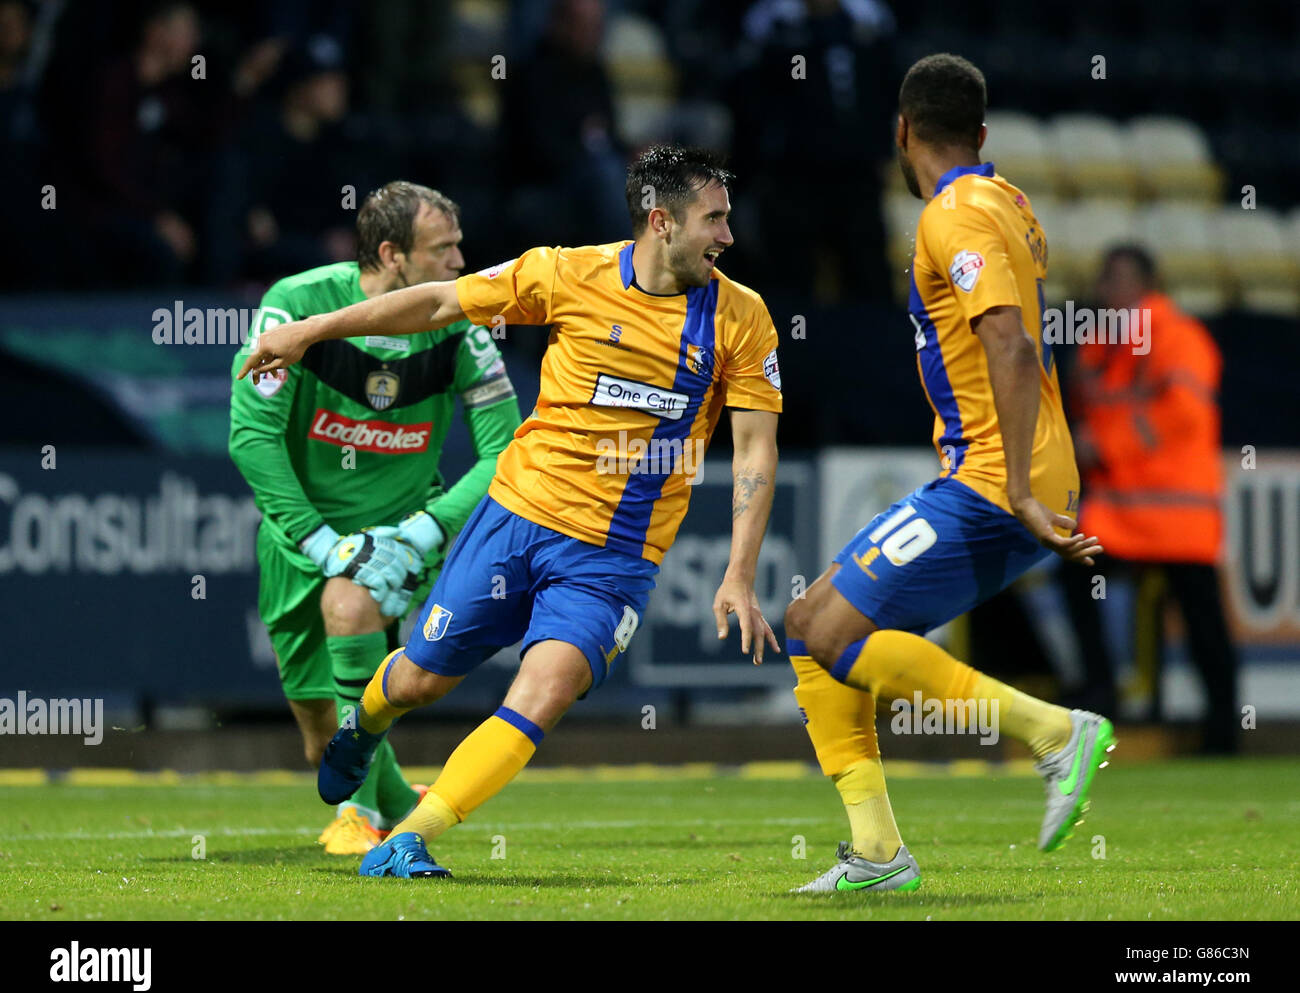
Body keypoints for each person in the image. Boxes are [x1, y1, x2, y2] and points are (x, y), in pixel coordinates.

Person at [238, 145, 784, 880]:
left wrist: (740, 572)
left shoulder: (742, 319)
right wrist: (310, 331)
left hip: (615, 557)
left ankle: (412, 835)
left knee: (547, 689)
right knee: (422, 680)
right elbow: (436, 302)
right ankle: (364, 727)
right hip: (517, 516)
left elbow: (753, 449)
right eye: (712, 219)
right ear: (661, 221)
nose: (726, 235)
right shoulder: (565, 273)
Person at [782, 54, 1114, 893]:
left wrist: (1019, 492)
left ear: (902, 130)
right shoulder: (1006, 201)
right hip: (1010, 470)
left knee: (825, 631)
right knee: (812, 625)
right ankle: (878, 854)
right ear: (983, 133)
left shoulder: (951, 215)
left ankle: (1051, 732)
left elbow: (1010, 338)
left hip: (998, 477)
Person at [229, 182, 521, 854]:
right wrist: (323, 541)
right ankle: (391, 796)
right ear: (391, 254)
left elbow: (507, 449)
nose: (460, 262)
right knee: (317, 734)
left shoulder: (462, 323)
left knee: (352, 605)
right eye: (442, 249)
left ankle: (358, 814)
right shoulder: (296, 305)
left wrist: (424, 531)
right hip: (302, 539)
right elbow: (252, 437)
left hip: (401, 536)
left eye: (459, 245)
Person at [1060, 244, 1238, 753]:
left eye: (1116, 279)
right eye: (1103, 279)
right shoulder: (1097, 345)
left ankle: (1223, 729)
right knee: (1074, 568)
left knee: (1203, 620)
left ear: (1146, 284)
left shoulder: (1178, 337)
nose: (1105, 290)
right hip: (1121, 510)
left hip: (1177, 509)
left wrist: (1105, 445)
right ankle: (1102, 693)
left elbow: (1184, 415)